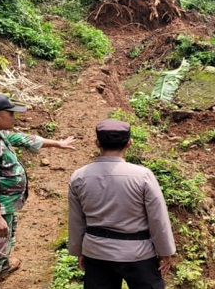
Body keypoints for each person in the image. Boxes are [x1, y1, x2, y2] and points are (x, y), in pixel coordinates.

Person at [0, 94, 77, 289]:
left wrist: (57, 143)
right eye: (11, 114)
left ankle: (3, 265)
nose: (15, 118)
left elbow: (21, 138)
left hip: (4, 204)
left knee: (4, 239)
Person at [68, 119, 176, 288]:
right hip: (137, 254)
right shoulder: (142, 176)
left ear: (97, 143)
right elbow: (157, 218)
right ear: (129, 143)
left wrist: (79, 250)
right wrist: (165, 252)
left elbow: (76, 219)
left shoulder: (79, 176)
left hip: (96, 252)